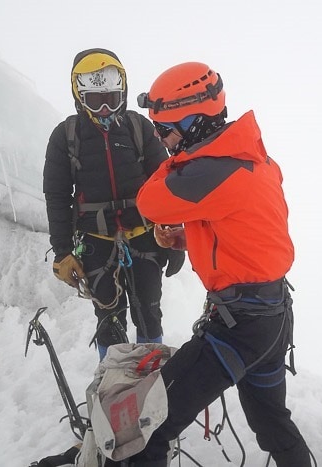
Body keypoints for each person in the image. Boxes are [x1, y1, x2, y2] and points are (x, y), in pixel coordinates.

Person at [131, 62, 312, 467]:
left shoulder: (214, 169)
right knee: (271, 424)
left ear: (194, 122)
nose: (160, 140)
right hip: (273, 319)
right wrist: (187, 237)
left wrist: (178, 160)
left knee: (149, 429)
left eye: (164, 129)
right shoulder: (255, 159)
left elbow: (149, 200)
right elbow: (248, 233)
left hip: (238, 328)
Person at [43, 48, 184, 360]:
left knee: (149, 311)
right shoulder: (65, 136)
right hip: (96, 244)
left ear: (123, 92)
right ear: (80, 99)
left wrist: (174, 237)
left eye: (111, 97)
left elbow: (164, 185)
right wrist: (63, 252)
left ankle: (150, 374)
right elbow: (57, 197)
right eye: (95, 100)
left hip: (145, 237)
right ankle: (115, 383)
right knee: (108, 318)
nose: (105, 108)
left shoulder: (138, 128)